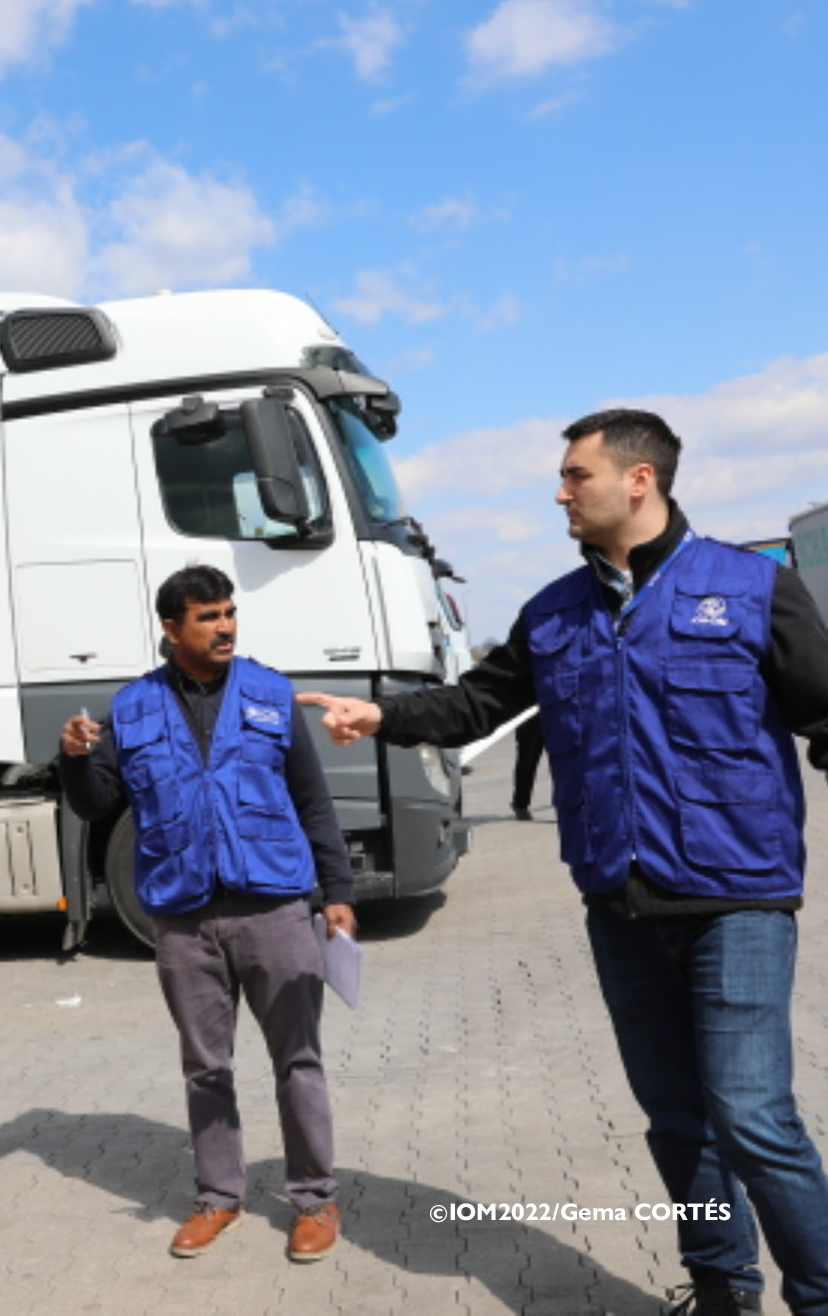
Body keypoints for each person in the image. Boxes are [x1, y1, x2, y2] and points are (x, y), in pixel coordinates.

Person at [298, 409, 828, 1316]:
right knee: (675, 1121)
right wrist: (383, 716)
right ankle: (721, 1287)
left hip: (737, 898)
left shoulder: (749, 588)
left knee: (750, 1114)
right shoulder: (553, 613)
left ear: (639, 480)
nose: (559, 492)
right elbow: (477, 705)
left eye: (576, 476)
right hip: (618, 902)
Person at [58, 564, 357, 1263]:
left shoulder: (268, 693)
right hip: (184, 919)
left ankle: (315, 1198)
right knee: (205, 1068)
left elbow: (312, 799)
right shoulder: (130, 710)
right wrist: (73, 759)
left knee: (299, 1060)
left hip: (274, 909)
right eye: (207, 616)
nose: (225, 627)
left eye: (229, 613)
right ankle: (219, 1198)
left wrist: (337, 891)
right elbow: (96, 803)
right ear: (171, 627)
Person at [511, 713, 545, 821]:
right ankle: (521, 805)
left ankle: (566, 805)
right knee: (527, 759)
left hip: (556, 712)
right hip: (530, 714)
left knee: (561, 763)